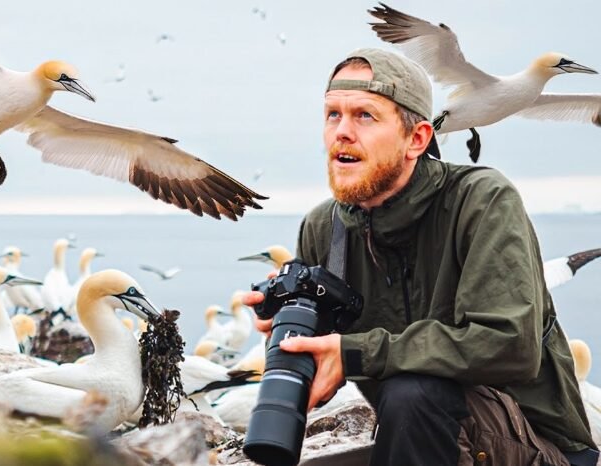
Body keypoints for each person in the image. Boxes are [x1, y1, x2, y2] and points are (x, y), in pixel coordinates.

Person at [244, 48, 598, 466]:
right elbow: (336, 357)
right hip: (421, 436)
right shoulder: (325, 229)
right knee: (403, 396)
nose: (341, 132)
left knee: (413, 391)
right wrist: (296, 337)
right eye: (332, 115)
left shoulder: (481, 201)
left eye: (365, 116)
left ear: (417, 140)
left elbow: (509, 346)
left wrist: (356, 352)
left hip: (535, 443)